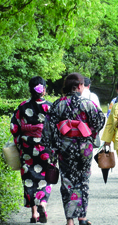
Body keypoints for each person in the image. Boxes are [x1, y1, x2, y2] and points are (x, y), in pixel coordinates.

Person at [41, 73, 106, 225]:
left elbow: (48, 129)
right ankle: (82, 217)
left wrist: (53, 148)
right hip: (85, 148)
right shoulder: (88, 104)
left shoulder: (57, 104)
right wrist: (88, 131)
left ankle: (70, 220)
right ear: (78, 86)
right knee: (83, 180)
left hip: (65, 147)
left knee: (68, 182)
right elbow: (99, 122)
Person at [10, 76, 52, 223]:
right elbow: (56, 129)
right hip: (45, 149)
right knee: (45, 178)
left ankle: (34, 214)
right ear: (44, 90)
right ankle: (43, 204)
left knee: (29, 179)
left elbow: (14, 127)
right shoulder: (50, 106)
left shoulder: (22, 106)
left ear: (30, 89)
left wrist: (19, 143)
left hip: (27, 149)